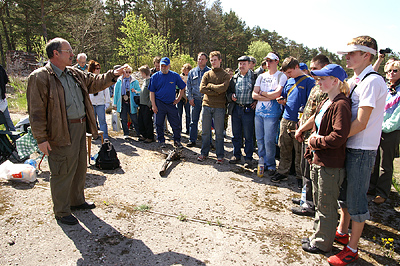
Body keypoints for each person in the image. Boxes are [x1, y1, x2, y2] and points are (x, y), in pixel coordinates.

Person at [27, 37, 128, 225]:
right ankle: (62, 210)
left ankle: (76, 201)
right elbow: (36, 112)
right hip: (59, 131)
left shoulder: (74, 73)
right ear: (55, 54)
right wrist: (41, 138)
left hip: (80, 127)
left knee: (80, 166)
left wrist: (113, 74)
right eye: (68, 51)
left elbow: (95, 82)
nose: (72, 54)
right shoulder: (40, 77)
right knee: (62, 169)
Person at [327, 35, 387, 266]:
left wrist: (336, 139)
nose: (347, 57)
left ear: (367, 55)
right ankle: (343, 232)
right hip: (351, 144)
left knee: (356, 200)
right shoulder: (357, 79)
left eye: (352, 53)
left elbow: (361, 122)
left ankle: (352, 248)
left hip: (361, 148)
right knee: (345, 196)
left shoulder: (372, 81)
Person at [295, 64, 351, 254]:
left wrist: (316, 141)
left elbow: (338, 136)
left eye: (322, 79)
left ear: (336, 81)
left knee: (326, 205)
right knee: (319, 203)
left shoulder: (341, 104)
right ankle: (317, 235)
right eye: (317, 78)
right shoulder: (327, 101)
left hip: (330, 164)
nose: (318, 82)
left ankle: (322, 243)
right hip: (319, 161)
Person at [291, 54, 330, 217]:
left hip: (313, 135)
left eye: (315, 69)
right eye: (311, 69)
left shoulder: (325, 88)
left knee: (310, 171)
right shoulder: (316, 85)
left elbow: (318, 114)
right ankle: (304, 198)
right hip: (305, 132)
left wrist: (302, 129)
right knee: (304, 169)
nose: (312, 72)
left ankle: (310, 204)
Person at [273, 57, 315, 185]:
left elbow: (311, 104)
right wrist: (282, 100)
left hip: (300, 121)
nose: (288, 75)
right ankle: (282, 172)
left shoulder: (309, 82)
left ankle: (300, 176)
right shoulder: (289, 81)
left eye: (290, 72)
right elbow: (286, 96)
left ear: (297, 67)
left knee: (299, 151)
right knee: (284, 146)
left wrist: (303, 122)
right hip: (286, 118)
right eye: (286, 73)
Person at [251, 52, 287, 177]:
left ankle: (271, 165)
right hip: (259, 112)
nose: (268, 63)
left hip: (272, 114)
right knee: (260, 140)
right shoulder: (261, 76)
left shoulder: (281, 76)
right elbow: (253, 94)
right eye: (267, 60)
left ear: (277, 61)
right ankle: (262, 163)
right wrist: (268, 96)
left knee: (269, 140)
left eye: (271, 60)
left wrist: (262, 93)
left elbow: (277, 94)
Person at [369, 60, 400, 204]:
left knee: (385, 163)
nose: (391, 74)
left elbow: (396, 118)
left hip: (391, 131)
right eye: (388, 71)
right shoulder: (386, 88)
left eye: (395, 71)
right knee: (374, 159)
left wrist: (383, 127)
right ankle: (372, 186)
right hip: (378, 128)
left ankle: (382, 192)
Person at [197, 51, 230, 163]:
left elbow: (223, 88)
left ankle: (220, 155)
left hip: (219, 107)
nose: (213, 62)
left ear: (220, 60)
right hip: (206, 105)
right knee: (205, 132)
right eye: (211, 60)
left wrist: (210, 86)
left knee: (219, 133)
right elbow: (202, 89)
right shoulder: (207, 74)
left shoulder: (225, 75)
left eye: (215, 60)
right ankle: (204, 153)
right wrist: (216, 91)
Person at [149, 57, 186, 148]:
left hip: (171, 103)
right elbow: (151, 92)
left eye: (165, 66)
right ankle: (161, 141)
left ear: (169, 66)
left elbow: (182, 87)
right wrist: (153, 105)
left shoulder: (174, 75)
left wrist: (178, 98)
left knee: (175, 123)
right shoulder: (155, 76)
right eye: (162, 66)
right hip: (159, 102)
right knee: (159, 123)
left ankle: (177, 140)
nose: (163, 67)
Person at [226, 55, 256, 168]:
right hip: (236, 109)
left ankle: (248, 158)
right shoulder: (234, 78)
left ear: (249, 64)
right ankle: (236, 155)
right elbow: (228, 93)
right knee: (236, 134)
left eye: (244, 63)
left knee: (248, 135)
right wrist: (231, 96)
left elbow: (259, 91)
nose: (241, 66)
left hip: (248, 109)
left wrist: (256, 101)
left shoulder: (255, 77)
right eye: (240, 63)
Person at [186, 52, 211, 147]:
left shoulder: (210, 72)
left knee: (207, 122)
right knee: (193, 121)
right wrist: (190, 98)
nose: (200, 61)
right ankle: (192, 140)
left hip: (206, 100)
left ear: (206, 60)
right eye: (199, 59)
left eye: (202, 59)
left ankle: (208, 142)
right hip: (195, 100)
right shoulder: (192, 72)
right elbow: (188, 87)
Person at [113, 65, 141, 139]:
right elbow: (116, 93)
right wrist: (115, 104)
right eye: (126, 72)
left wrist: (135, 91)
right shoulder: (119, 81)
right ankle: (126, 133)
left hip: (131, 102)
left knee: (134, 117)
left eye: (129, 72)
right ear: (123, 72)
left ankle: (138, 132)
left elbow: (139, 91)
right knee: (123, 118)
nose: (128, 74)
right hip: (122, 102)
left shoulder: (134, 81)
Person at [88, 60, 111, 140]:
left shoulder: (102, 78)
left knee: (102, 121)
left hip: (100, 103)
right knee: (93, 121)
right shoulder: (88, 78)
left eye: (99, 68)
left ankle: (105, 137)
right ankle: (94, 135)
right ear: (92, 69)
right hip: (91, 103)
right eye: (96, 68)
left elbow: (106, 92)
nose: (98, 70)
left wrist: (107, 103)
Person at [138, 65, 154, 143]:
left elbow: (151, 93)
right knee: (141, 120)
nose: (140, 75)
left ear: (144, 73)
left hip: (147, 105)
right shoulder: (144, 81)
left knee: (147, 121)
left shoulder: (150, 81)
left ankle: (150, 136)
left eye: (141, 73)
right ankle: (144, 135)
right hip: (142, 104)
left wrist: (150, 104)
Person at [0, 65, 16, 132]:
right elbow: (6, 80)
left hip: (2, 101)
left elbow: (6, 80)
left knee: (7, 121)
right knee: (8, 121)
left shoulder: (0, 69)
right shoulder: (0, 68)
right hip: (2, 100)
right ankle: (15, 138)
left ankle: (15, 138)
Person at [177, 63, 192, 135]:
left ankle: (188, 129)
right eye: (185, 70)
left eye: (187, 71)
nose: (186, 72)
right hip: (180, 97)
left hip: (188, 98)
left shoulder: (191, 77)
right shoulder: (179, 76)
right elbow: (176, 87)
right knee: (179, 113)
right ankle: (179, 128)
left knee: (188, 114)